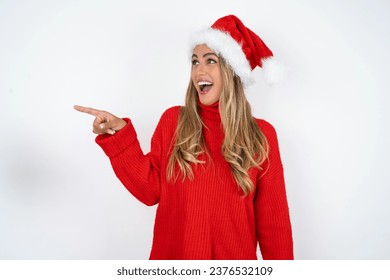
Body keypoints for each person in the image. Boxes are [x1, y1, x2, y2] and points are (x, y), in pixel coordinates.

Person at [74, 14, 294, 260]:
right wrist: (118, 135)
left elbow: (275, 227)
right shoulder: (173, 122)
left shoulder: (261, 136)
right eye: (195, 61)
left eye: (210, 61)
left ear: (232, 71)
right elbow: (149, 191)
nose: (199, 69)